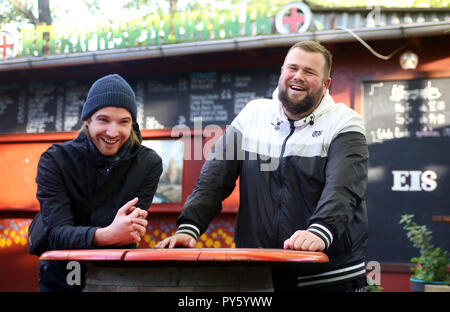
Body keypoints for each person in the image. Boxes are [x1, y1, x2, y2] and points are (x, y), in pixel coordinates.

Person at [156, 41, 369, 291]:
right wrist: (189, 228)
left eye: (309, 72)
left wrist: (320, 231)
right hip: (260, 274)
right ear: (282, 72)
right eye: (292, 68)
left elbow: (343, 188)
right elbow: (214, 179)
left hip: (327, 274)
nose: (298, 77)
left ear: (326, 84)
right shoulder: (252, 114)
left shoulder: (345, 122)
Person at [36, 74, 162, 291]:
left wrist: (112, 233)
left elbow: (129, 231)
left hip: (115, 276)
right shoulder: (55, 160)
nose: (113, 132)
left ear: (132, 124)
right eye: (103, 120)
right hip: (61, 276)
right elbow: (56, 234)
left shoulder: (149, 163)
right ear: (87, 120)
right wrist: (106, 234)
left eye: (124, 122)